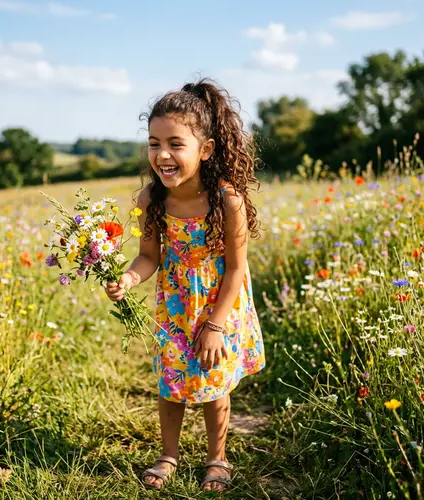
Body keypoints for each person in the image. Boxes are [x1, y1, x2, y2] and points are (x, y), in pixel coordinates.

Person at [105, 78, 266, 492]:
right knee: (170, 382)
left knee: (213, 384)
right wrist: (127, 277)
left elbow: (236, 269)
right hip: (174, 305)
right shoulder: (151, 200)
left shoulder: (226, 201)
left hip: (220, 305)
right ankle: (169, 454)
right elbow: (149, 258)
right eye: (154, 142)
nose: (162, 154)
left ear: (205, 150)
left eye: (176, 144)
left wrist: (214, 325)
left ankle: (218, 458)